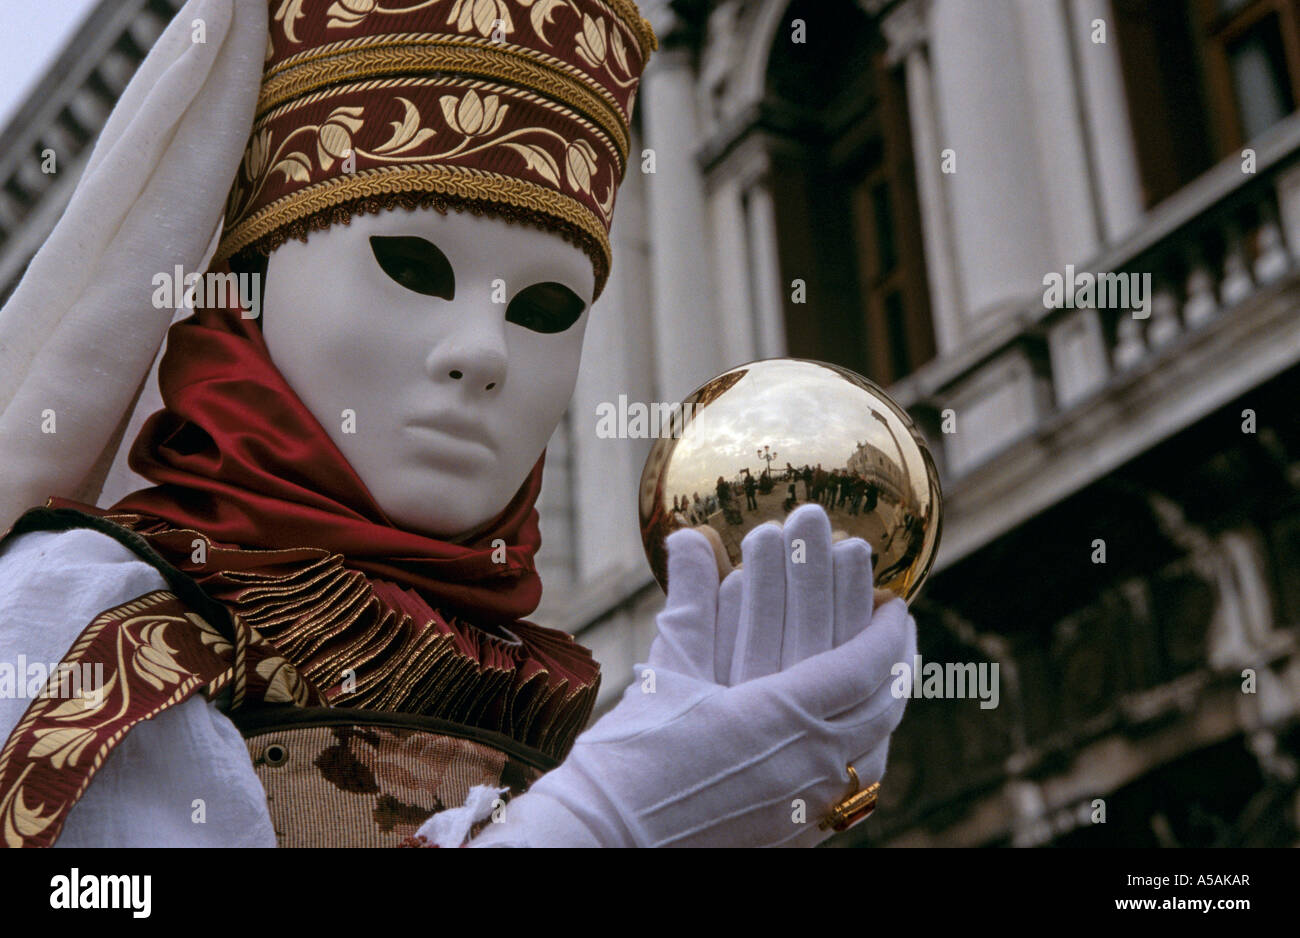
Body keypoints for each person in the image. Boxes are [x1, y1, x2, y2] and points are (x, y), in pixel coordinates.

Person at [0, 0, 915, 849]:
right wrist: (602, 825)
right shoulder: (77, 620)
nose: (484, 352)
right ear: (253, 287)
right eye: (413, 265)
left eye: (546, 309)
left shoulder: (533, 697)